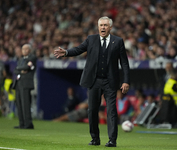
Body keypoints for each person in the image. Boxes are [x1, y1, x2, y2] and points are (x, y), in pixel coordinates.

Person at [54, 16, 130, 147]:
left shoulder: (118, 41)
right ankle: (95, 138)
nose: (103, 27)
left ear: (110, 27)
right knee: (92, 110)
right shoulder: (91, 39)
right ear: (98, 27)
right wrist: (66, 52)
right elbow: (78, 50)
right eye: (101, 25)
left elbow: (124, 63)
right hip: (94, 81)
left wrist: (126, 81)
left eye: (106, 25)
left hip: (110, 82)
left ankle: (112, 140)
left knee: (111, 111)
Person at [12, 44, 37, 129]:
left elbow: (27, 67)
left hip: (26, 83)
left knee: (25, 104)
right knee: (19, 104)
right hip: (19, 83)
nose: (24, 51)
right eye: (23, 49)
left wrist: (21, 69)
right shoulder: (21, 59)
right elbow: (15, 70)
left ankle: (28, 124)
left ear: (29, 50)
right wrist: (21, 70)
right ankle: (21, 123)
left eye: (26, 49)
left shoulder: (32, 57)